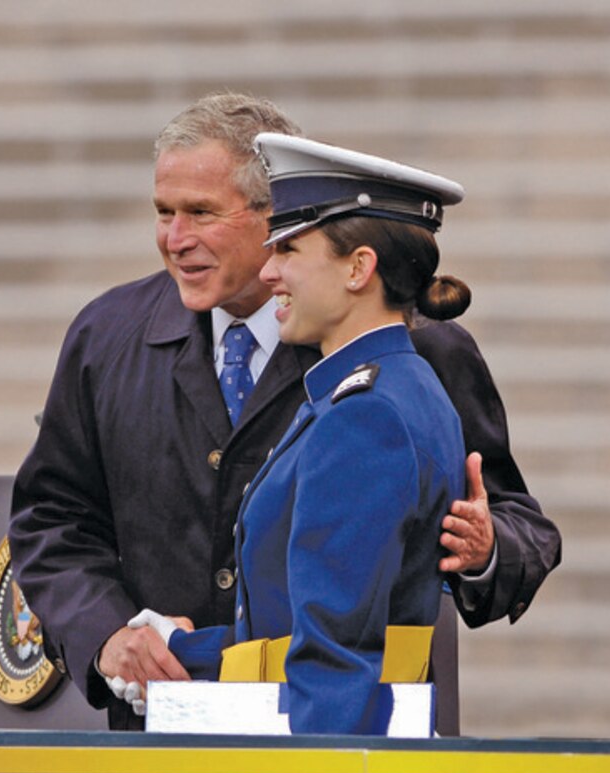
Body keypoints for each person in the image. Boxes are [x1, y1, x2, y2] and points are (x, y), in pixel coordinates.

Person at [8, 92, 560, 731]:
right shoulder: (107, 336)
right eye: (164, 212)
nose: (175, 239)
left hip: (336, 735)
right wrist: (107, 637)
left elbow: (520, 523)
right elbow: (51, 519)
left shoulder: (417, 350)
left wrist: (486, 549)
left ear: (276, 217)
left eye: (202, 212)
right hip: (162, 741)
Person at [129, 132, 471, 734]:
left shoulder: (366, 416)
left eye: (288, 249)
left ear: (359, 267)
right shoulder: (388, 386)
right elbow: (293, 632)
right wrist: (183, 653)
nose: (268, 271)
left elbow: (334, 659)